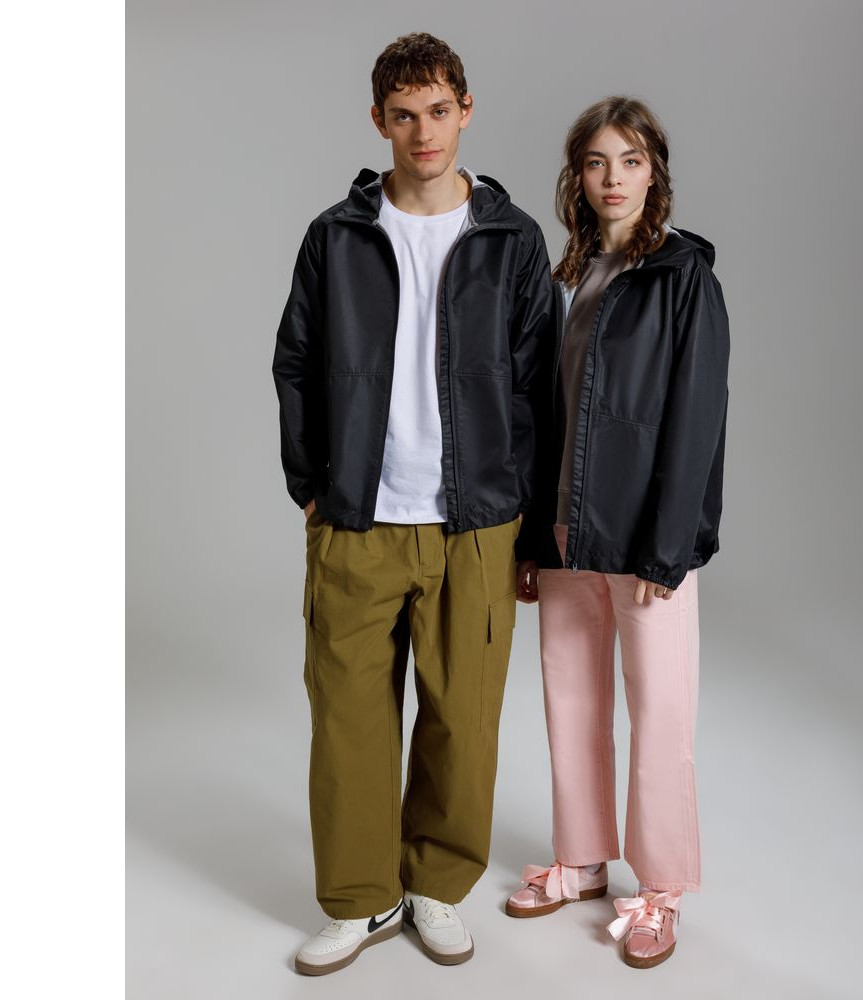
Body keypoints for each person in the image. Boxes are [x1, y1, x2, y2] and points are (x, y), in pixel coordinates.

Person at [272, 32, 553, 975]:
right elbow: (296, 362)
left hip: (475, 522)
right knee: (347, 720)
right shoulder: (337, 235)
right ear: (378, 121)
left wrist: (522, 515)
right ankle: (361, 899)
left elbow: (536, 386)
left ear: (465, 111)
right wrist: (312, 485)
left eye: (438, 111)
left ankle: (435, 885)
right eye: (403, 115)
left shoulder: (513, 240)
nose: (423, 132)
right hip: (358, 518)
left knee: (462, 721)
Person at [506, 96, 730, 970]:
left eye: (630, 161)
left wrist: (669, 547)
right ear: (578, 175)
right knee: (571, 701)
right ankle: (582, 859)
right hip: (569, 534)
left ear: (654, 173)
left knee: (660, 713)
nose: (613, 178)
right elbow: (548, 416)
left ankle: (661, 888)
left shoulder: (683, 278)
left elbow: (696, 418)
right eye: (597, 162)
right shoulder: (570, 276)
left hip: (644, 543)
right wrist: (534, 535)